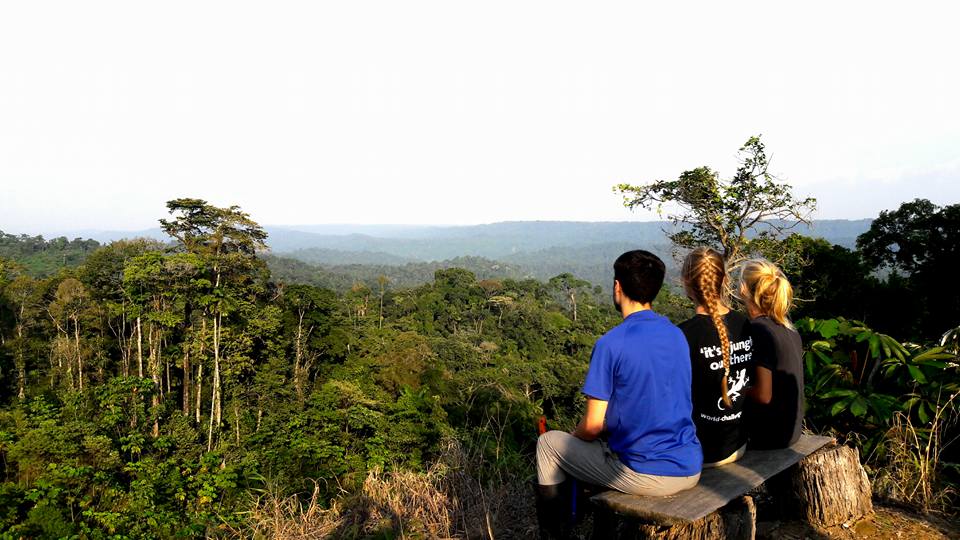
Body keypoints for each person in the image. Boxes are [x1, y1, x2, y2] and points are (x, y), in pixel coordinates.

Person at [535, 250, 702, 537]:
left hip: (648, 474)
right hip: (690, 464)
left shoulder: (611, 344)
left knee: (549, 444)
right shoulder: (676, 334)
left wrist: (576, 439)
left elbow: (592, 426)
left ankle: (555, 535)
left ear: (617, 287)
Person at [678, 247, 754, 467]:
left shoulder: (683, 334)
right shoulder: (744, 324)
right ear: (724, 280)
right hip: (737, 445)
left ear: (686, 281)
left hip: (700, 452)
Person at [739, 258, 804, 449]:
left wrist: (732, 390)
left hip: (769, 434)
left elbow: (763, 395)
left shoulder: (758, 331)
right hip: (790, 431)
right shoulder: (789, 329)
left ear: (744, 289)